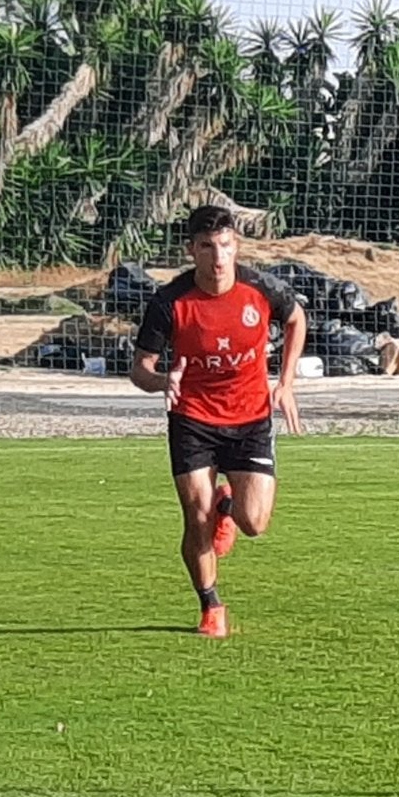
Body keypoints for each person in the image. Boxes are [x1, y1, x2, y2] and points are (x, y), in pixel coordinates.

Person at [129, 206, 307, 638]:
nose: (218, 256)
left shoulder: (260, 288)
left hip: (250, 418)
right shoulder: (170, 302)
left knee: (255, 523)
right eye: (207, 247)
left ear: (236, 246)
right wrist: (160, 383)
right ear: (191, 250)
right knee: (196, 515)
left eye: (225, 245)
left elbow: (297, 317)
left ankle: (230, 506)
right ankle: (211, 604)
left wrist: (284, 382)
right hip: (193, 418)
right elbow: (140, 368)